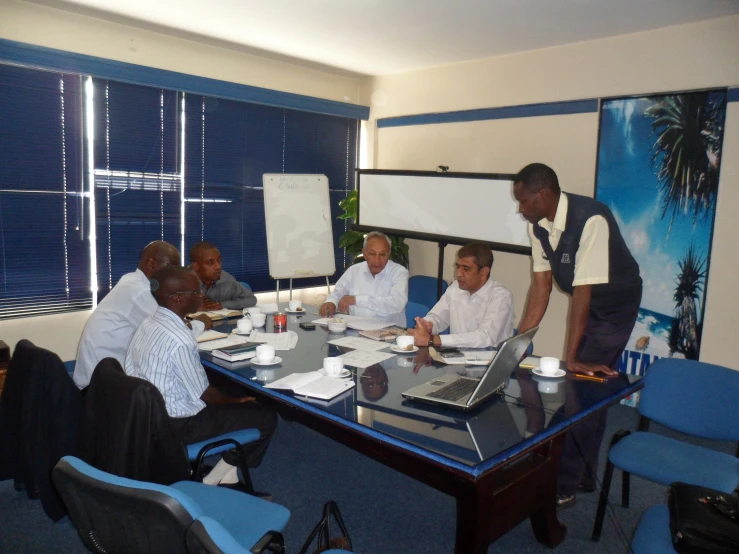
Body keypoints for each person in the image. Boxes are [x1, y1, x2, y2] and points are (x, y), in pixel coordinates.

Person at [512, 162, 642, 508]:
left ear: (543, 194)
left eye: (523, 201)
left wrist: (572, 360)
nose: (519, 209)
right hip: (591, 305)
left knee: (578, 391)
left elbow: (583, 293)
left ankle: (562, 484)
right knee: (589, 392)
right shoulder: (538, 226)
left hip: (615, 306)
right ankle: (584, 476)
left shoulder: (591, 218)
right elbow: (541, 288)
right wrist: (518, 345)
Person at [124, 265, 277, 490]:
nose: (202, 295)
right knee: (266, 416)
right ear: (177, 299)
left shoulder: (148, 323)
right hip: (180, 426)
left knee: (236, 392)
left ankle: (230, 477)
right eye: (196, 292)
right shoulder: (180, 339)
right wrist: (236, 403)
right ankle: (211, 481)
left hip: (149, 417)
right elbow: (205, 394)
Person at [74, 241, 211, 390]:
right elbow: (173, 332)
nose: (175, 275)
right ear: (152, 264)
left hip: (109, 376)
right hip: (100, 388)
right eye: (172, 268)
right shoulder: (140, 291)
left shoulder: (133, 280)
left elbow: (173, 322)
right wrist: (201, 323)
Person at [407, 242, 514, 348]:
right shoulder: (455, 288)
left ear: (483, 272)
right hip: (458, 358)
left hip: (490, 360)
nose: (458, 273)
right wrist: (429, 325)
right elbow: (438, 317)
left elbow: (485, 337)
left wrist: (433, 340)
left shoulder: (501, 296)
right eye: (458, 267)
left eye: (466, 269)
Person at [319, 231, 408, 327]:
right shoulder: (354, 270)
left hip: (389, 331)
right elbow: (338, 292)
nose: (377, 260)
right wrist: (330, 302)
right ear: (364, 253)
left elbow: (397, 304)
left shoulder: (399, 273)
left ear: (389, 254)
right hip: (356, 328)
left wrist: (357, 300)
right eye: (372, 254)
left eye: (382, 254)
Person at [190, 241, 257, 311]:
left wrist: (221, 305)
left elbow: (251, 299)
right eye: (210, 263)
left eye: (219, 260)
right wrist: (193, 307)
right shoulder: (182, 281)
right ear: (196, 266)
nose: (218, 267)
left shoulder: (226, 279)